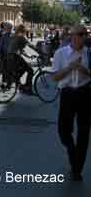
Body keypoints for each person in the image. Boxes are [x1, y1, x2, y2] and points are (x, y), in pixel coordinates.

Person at [50, 25, 91, 181]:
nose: (82, 37)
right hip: (67, 94)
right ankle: (72, 152)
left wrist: (84, 70)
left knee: (84, 132)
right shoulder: (61, 53)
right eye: (79, 34)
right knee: (63, 131)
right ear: (72, 36)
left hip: (85, 94)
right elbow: (55, 77)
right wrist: (70, 67)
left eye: (84, 35)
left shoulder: (89, 54)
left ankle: (77, 169)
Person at [7, 24, 38, 94]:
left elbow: (21, 50)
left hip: (10, 56)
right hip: (15, 56)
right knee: (30, 70)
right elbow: (30, 45)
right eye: (26, 31)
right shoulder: (21, 37)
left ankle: (18, 83)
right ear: (24, 31)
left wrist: (29, 56)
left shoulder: (14, 36)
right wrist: (39, 51)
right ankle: (28, 88)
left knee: (24, 69)